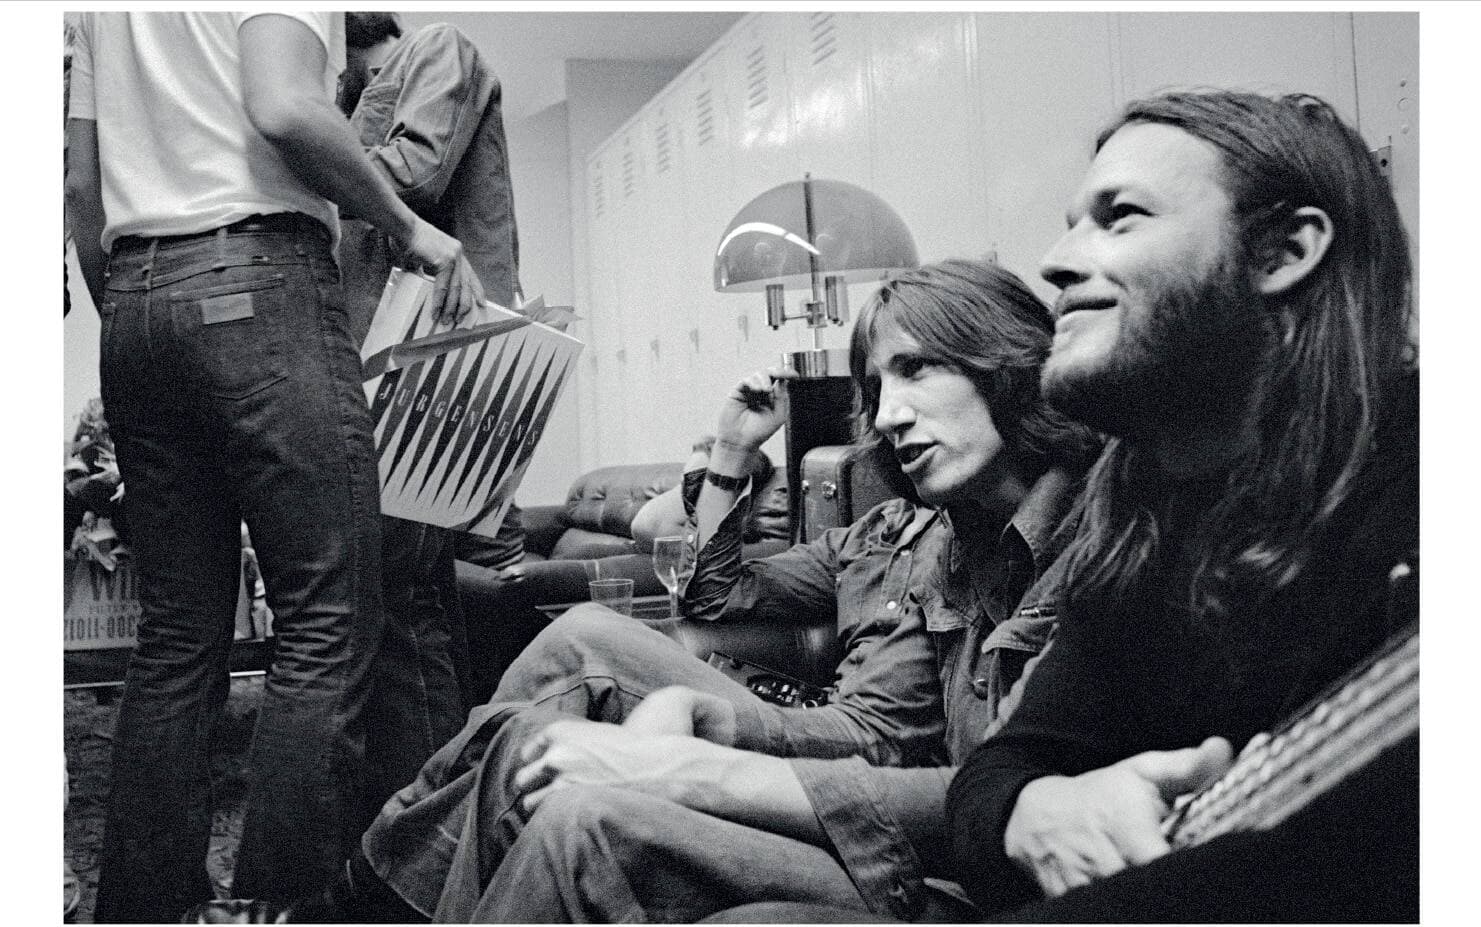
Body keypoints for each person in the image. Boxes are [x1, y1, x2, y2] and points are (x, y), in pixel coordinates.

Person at [188, 258, 1100, 923]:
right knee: (544, 717)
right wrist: (734, 453)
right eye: (877, 385)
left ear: (1005, 360)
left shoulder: (1094, 541)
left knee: (580, 671)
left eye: (919, 369)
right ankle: (362, 907)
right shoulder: (890, 533)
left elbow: (977, 777)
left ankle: (352, 909)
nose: (889, 413)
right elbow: (715, 592)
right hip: (856, 758)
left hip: (894, 795)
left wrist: (710, 748)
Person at [942, 89, 1418, 919]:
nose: (1053, 261)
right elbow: (1002, 764)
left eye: (1117, 216)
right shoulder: (1143, 516)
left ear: (1280, 252)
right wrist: (1034, 810)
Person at [65, 12, 483, 921]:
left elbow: (80, 191)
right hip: (263, 278)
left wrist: (146, 315)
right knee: (329, 616)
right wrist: (410, 228)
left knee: (177, 634)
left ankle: (143, 909)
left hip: (134, 298)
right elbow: (284, 108)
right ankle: (280, 905)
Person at [334, 11, 525, 813]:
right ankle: (441, 821)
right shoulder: (368, 91)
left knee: (402, 607)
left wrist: (304, 156)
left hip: (430, 356)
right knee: (415, 598)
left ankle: (414, 834)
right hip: (406, 357)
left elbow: (412, 176)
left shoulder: (436, 47)